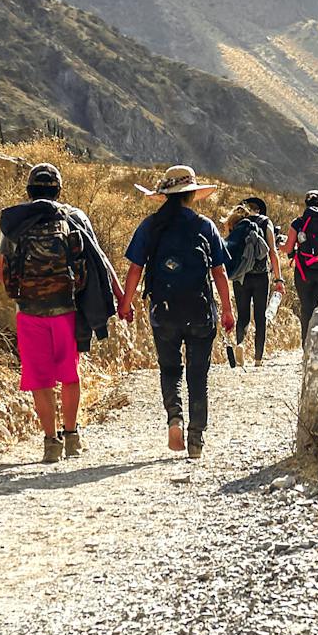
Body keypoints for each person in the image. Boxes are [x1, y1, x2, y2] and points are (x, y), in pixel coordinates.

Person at [118, 165, 237, 456]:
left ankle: (175, 418)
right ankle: (195, 439)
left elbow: (135, 268)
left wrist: (126, 302)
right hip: (200, 311)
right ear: (191, 195)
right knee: (198, 375)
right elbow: (219, 272)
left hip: (164, 311)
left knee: (170, 370)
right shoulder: (205, 226)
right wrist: (227, 310)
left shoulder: (150, 226)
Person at [0, 162, 111, 463]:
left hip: (29, 311)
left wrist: (21, 295)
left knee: (40, 379)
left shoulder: (15, 222)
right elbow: (94, 261)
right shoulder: (72, 216)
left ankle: (51, 443)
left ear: (29, 190)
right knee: (69, 374)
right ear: (58, 189)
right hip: (66, 309)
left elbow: (3, 268)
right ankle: (72, 436)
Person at [222, 196, 276, 368]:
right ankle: (258, 359)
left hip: (241, 276)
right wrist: (279, 277)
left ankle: (241, 344)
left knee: (243, 316)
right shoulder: (265, 222)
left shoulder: (237, 222)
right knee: (260, 317)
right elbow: (272, 251)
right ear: (258, 210)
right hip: (261, 276)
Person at [285, 189, 318, 330]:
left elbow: (289, 248)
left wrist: (280, 245)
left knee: (307, 309)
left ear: (305, 203)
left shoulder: (298, 223)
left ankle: (305, 344)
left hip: (304, 273)